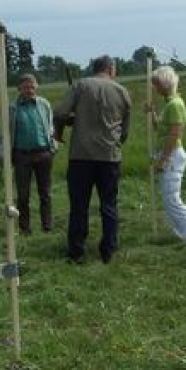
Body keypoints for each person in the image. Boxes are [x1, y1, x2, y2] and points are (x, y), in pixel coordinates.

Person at [53, 55, 132, 263]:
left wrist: (62, 129)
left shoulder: (80, 86)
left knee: (79, 206)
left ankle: (76, 251)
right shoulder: (121, 91)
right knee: (109, 204)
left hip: (81, 156)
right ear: (111, 69)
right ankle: (108, 250)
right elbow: (124, 131)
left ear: (95, 68)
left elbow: (60, 113)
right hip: (110, 158)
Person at [148, 65, 186, 244]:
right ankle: (185, 235)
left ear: (166, 83)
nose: (155, 89)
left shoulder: (176, 105)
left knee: (172, 199)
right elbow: (161, 129)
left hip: (171, 156)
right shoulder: (169, 104)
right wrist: (153, 114)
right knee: (169, 199)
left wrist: (163, 159)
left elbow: (174, 134)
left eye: (157, 84)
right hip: (167, 154)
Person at [0, 74, 57, 235]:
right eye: (25, 87)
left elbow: (50, 126)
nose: (29, 90)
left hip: (44, 153)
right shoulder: (12, 108)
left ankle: (47, 226)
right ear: (19, 89)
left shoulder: (44, 104)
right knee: (23, 195)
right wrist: (2, 154)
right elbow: (4, 133)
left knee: (45, 193)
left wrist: (53, 146)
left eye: (32, 87)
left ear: (36, 87)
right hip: (22, 155)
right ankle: (25, 228)